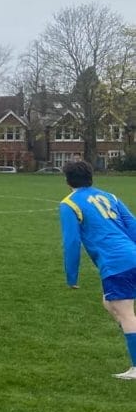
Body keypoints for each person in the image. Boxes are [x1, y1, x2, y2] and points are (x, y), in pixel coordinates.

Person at [59, 159, 136, 380]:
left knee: (125, 312)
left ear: (67, 181)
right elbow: (132, 225)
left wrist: (71, 276)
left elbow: (71, 242)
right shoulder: (110, 197)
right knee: (109, 302)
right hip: (131, 256)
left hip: (117, 263)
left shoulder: (70, 204)